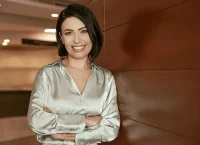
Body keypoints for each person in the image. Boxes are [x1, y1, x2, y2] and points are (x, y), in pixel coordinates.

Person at [27, 3, 120, 145]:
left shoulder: (105, 78)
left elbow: (111, 129)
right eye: (68, 33)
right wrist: (86, 121)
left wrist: (62, 132)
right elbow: (36, 120)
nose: (77, 40)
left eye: (83, 31)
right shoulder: (47, 74)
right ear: (61, 38)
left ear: (92, 33)